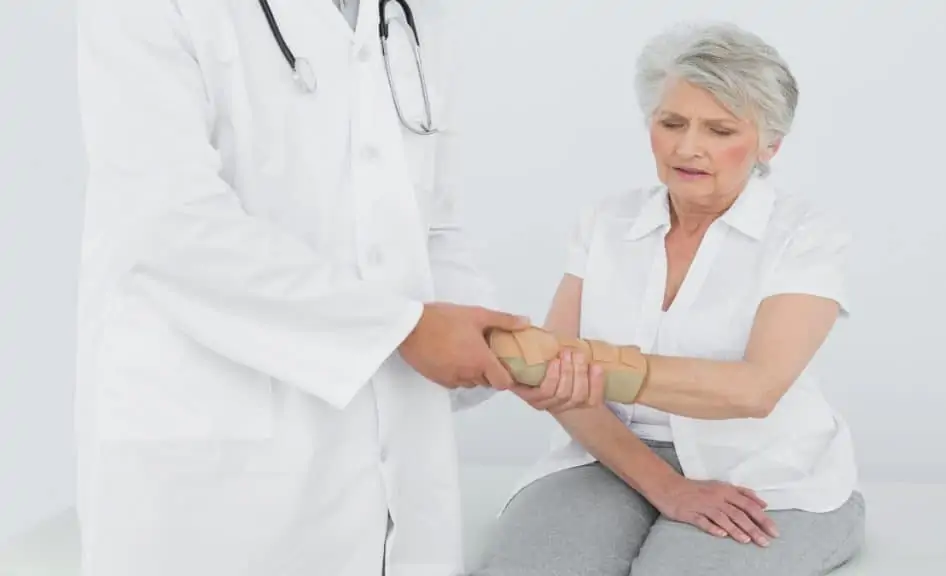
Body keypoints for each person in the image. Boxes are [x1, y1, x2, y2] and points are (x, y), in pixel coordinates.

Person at [73, 1, 582, 575]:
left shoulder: (413, 16)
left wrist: (496, 348)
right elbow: (165, 226)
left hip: (390, 470)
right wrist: (402, 328)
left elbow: (430, 229)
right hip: (212, 463)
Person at [472, 21, 866, 576]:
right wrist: (666, 488)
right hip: (606, 455)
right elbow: (558, 384)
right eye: (671, 122)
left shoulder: (805, 235)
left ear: (770, 144)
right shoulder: (606, 222)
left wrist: (578, 363)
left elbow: (755, 390)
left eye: (720, 130)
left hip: (766, 475)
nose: (688, 147)